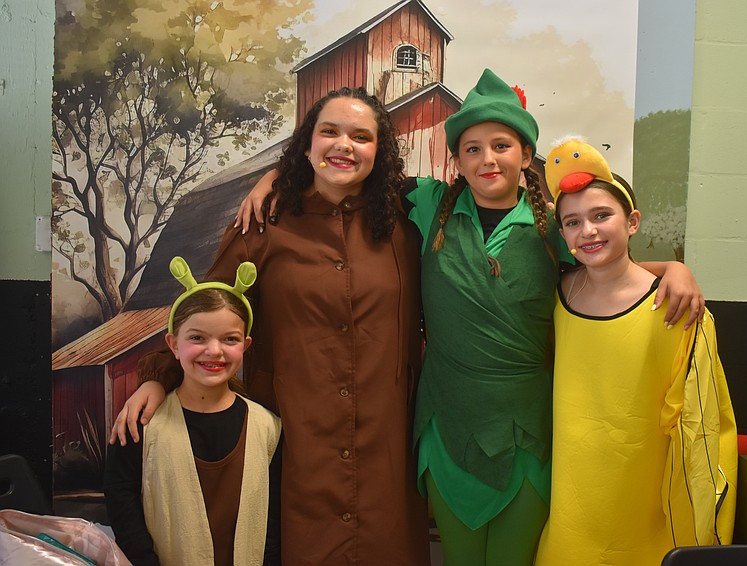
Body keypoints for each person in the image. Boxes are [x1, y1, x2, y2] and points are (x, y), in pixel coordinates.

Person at [231, 70, 706, 566]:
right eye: (472, 149)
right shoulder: (425, 203)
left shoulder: (552, 226)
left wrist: (673, 268)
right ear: (456, 159)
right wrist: (273, 178)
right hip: (446, 426)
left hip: (528, 431)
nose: (487, 159)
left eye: (501, 146)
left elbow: (610, 265)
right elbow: (347, 170)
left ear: (526, 154)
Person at [110, 87, 431, 566]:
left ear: (379, 151)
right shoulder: (263, 222)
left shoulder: (409, 223)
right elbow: (205, 310)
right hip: (294, 443)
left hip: (386, 445)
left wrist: (274, 174)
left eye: (361, 136)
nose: (344, 145)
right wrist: (158, 377)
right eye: (329, 131)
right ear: (307, 143)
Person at [534, 139, 737, 566]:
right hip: (572, 499)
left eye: (601, 215)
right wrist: (674, 265)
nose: (588, 231)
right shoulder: (556, 296)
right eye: (572, 222)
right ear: (562, 234)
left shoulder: (678, 308)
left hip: (647, 499)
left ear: (632, 222)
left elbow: (702, 426)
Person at [104, 256, 282, 566]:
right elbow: (122, 500)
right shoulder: (141, 423)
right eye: (197, 337)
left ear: (245, 345)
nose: (214, 351)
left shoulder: (268, 428)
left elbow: (274, 521)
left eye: (230, 339)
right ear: (174, 344)